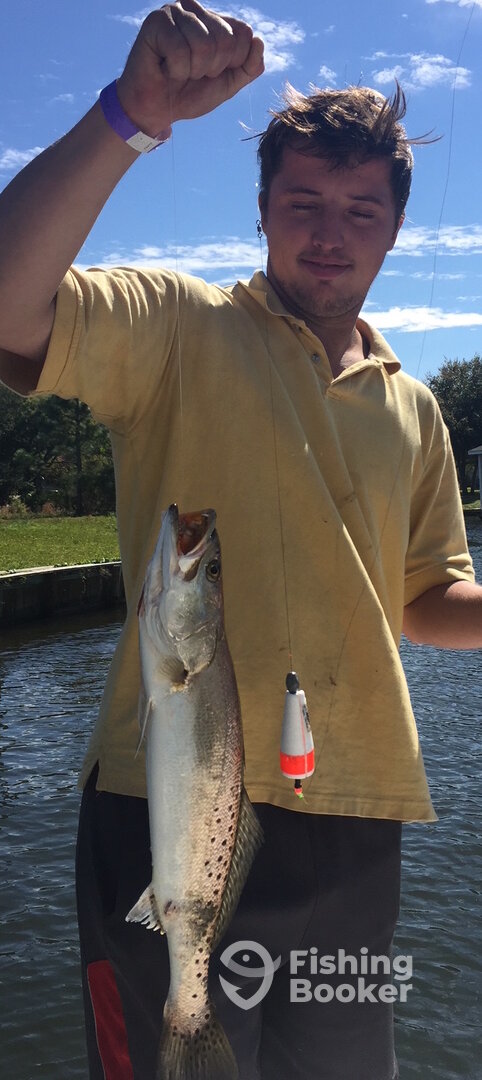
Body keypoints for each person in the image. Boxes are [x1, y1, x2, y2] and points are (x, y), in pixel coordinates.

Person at [0, 2, 480, 1078]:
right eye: (301, 201)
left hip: (355, 819)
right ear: (260, 211)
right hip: (158, 805)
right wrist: (127, 117)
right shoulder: (175, 329)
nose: (327, 230)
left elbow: (425, 596)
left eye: (359, 209)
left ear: (395, 228)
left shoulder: (414, 410)